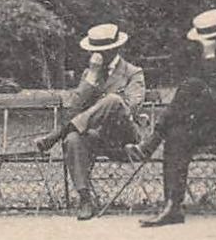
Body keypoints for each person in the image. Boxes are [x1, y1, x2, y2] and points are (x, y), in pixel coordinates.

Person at [130, 9, 216, 228]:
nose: (203, 46)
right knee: (176, 135)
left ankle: (151, 142)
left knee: (192, 84)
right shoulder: (201, 63)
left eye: (207, 41)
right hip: (210, 127)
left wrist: (209, 59)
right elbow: (199, 102)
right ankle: (173, 207)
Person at [33, 22, 146, 221]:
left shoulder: (133, 72)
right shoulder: (89, 74)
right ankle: (85, 199)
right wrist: (91, 77)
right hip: (96, 137)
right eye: (95, 50)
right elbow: (74, 109)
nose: (97, 54)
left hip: (124, 135)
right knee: (73, 139)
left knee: (113, 100)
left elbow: (132, 108)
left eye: (102, 50)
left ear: (115, 49)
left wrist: (105, 104)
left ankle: (57, 133)